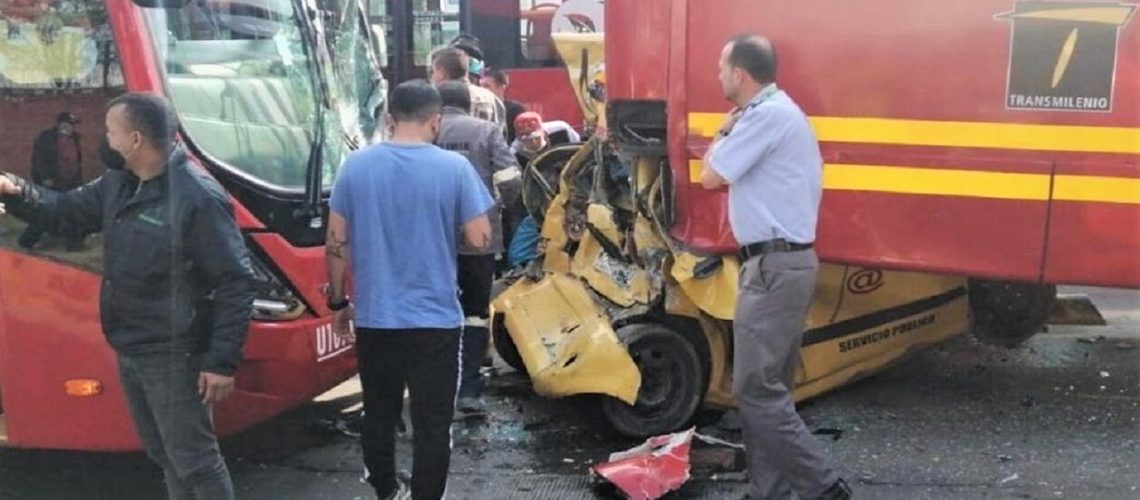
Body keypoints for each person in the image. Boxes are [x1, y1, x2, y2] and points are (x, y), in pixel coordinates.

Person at [0, 93, 254, 500]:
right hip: (130, 345)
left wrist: (221, 362)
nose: (105, 139)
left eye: (110, 131)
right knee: (163, 453)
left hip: (173, 352)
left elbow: (235, 281)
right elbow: (63, 211)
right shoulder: (118, 182)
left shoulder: (197, 195)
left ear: (136, 140)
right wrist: (13, 190)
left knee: (195, 461)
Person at [325, 80, 493, 500]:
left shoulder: (355, 166)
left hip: (376, 317)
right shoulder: (454, 169)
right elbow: (479, 238)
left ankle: (385, 489)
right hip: (436, 321)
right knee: (433, 424)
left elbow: (335, 242)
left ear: (389, 118)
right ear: (436, 121)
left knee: (379, 413)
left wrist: (338, 300)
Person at [700, 35, 851, 500]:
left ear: (740, 73)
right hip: (786, 264)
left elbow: (710, 176)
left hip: (772, 268)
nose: (718, 75)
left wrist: (723, 131)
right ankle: (769, 491)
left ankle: (823, 485)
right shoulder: (782, 112)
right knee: (770, 390)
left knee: (754, 390)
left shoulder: (762, 117)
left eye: (721, 67)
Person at [433, 80, 521, 415]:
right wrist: (505, 211)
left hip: (434, 238)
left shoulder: (428, 131)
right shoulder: (486, 130)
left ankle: (437, 384)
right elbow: (510, 180)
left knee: (437, 309)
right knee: (475, 312)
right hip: (479, 238)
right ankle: (468, 389)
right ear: (469, 104)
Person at [20, 111, 85, 250]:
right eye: (69, 124)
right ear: (61, 124)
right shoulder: (46, 138)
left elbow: (77, 161)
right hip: (52, 181)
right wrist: (45, 178)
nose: (71, 128)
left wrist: (78, 181)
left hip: (71, 181)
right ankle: (28, 240)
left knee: (72, 212)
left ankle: (74, 244)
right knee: (45, 212)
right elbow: (38, 160)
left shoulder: (75, 138)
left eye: (73, 125)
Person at [431, 43, 506, 131]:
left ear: (442, 72)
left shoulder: (434, 99)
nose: (432, 76)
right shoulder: (493, 99)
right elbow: (500, 134)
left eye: (433, 71)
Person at [509, 111, 580, 164]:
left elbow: (578, 147)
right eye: (528, 140)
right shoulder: (514, 154)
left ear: (543, 131)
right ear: (519, 140)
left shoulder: (562, 129)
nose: (534, 142)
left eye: (536, 137)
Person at [480, 68, 527, 143]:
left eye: (487, 86)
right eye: (480, 85)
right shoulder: (477, 109)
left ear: (502, 87)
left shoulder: (516, 110)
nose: (481, 89)